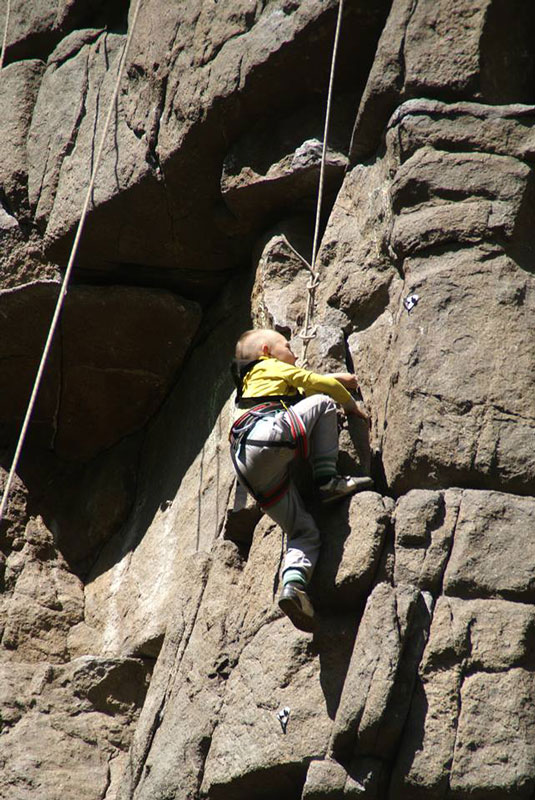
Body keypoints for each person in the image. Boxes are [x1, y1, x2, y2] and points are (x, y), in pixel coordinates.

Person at [229, 328, 373, 632]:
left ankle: (293, 587)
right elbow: (310, 384)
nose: (293, 353)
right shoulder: (267, 366)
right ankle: (327, 481)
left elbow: (294, 390)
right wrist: (349, 404)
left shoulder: (251, 384)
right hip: (266, 438)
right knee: (323, 403)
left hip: (248, 466)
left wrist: (334, 378)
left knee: (302, 530)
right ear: (267, 351)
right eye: (288, 346)